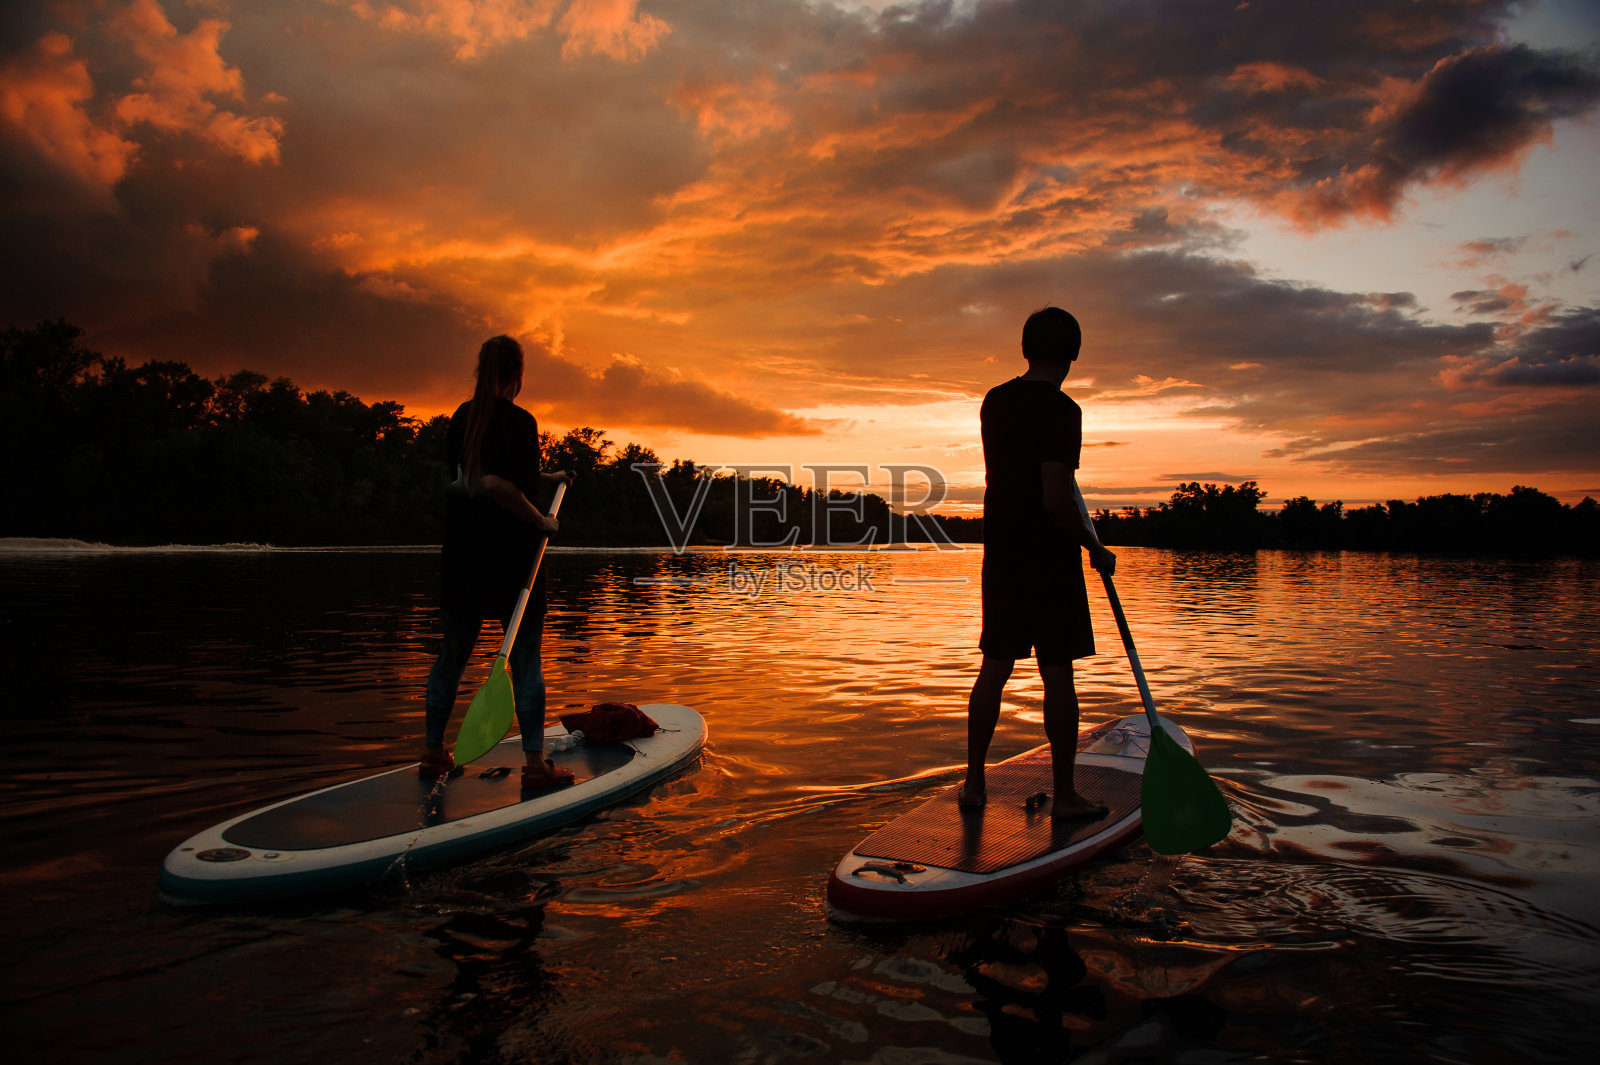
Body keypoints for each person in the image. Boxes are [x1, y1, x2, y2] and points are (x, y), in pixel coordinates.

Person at [962, 306, 1116, 819]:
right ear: (1072, 353)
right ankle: (1067, 796)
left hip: (1002, 552)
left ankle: (974, 785)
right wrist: (1093, 547)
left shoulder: (995, 401)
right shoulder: (1063, 410)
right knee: (1057, 673)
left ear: (1026, 350)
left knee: (995, 668)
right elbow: (1055, 496)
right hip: (1049, 557)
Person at [419, 335, 575, 792]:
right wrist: (542, 520)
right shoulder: (520, 420)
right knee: (527, 660)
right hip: (512, 561)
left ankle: (433, 753)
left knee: (450, 658)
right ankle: (534, 764)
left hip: (464, 557)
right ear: (518, 375)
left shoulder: (462, 417)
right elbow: (496, 484)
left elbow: (476, 477)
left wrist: (549, 478)